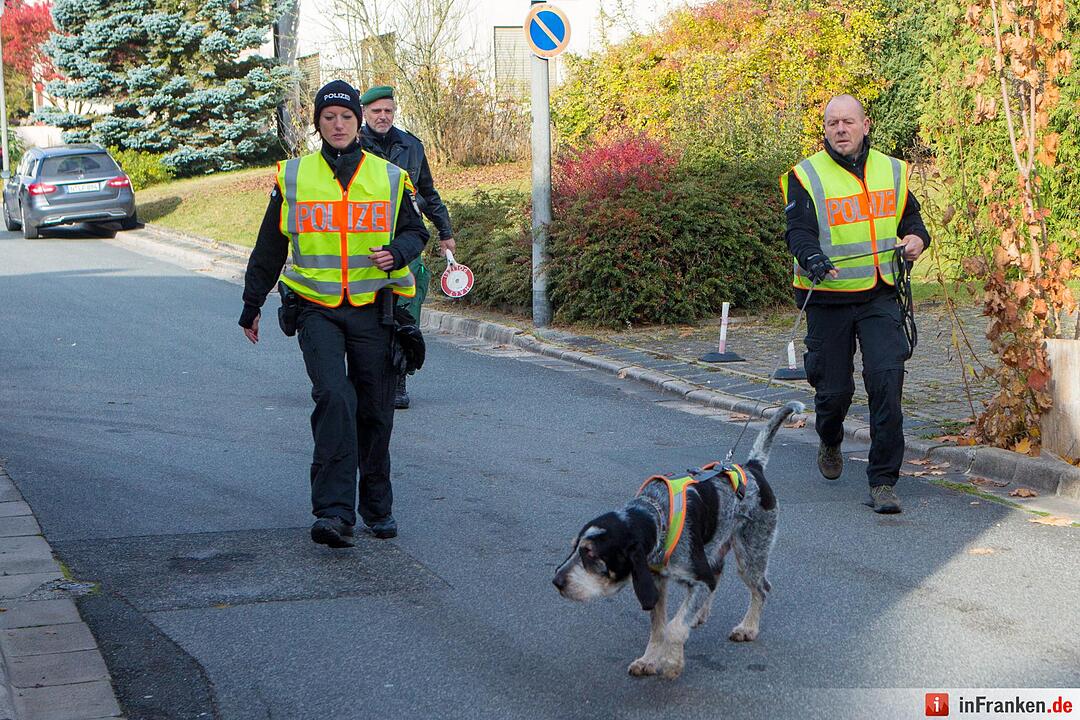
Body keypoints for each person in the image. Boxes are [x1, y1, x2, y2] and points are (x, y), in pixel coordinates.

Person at [238, 80, 429, 547]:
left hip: (373, 311)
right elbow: (270, 245)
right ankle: (333, 513)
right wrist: (252, 303)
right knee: (335, 399)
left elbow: (414, 232)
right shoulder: (295, 177)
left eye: (346, 117)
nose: (338, 124)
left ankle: (377, 508)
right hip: (316, 309)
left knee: (376, 411)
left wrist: (397, 254)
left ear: (358, 123)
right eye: (329, 117)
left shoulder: (386, 176)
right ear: (318, 124)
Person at [781, 94, 930, 514]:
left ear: (866, 125)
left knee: (886, 382)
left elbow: (911, 220)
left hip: (881, 294)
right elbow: (798, 232)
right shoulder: (805, 176)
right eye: (832, 124)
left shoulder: (893, 170)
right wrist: (811, 258)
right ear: (825, 129)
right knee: (834, 391)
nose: (840, 129)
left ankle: (883, 481)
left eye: (848, 122)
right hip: (828, 298)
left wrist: (918, 239)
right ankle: (829, 436)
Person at [358, 85, 455, 410]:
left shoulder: (411, 146)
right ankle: (366, 378)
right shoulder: (352, 145)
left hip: (405, 240)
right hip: (363, 244)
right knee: (365, 317)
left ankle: (399, 379)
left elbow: (428, 190)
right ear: (365, 114)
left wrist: (444, 231)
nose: (383, 116)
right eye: (376, 112)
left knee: (406, 312)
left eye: (388, 110)